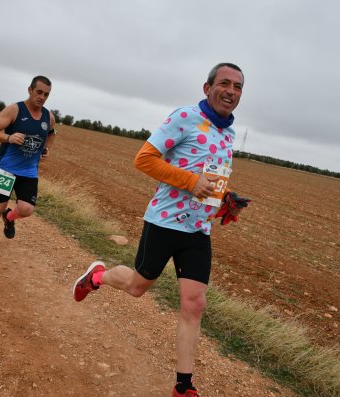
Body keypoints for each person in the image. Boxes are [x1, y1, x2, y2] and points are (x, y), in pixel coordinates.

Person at [72, 63, 247, 397]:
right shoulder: (185, 117)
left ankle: (183, 387)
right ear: (207, 86)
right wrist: (190, 181)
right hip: (164, 222)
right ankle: (96, 277)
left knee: (194, 304)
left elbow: (209, 174)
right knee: (138, 287)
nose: (231, 91)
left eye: (238, 87)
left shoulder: (228, 133)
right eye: (224, 83)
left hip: (198, 231)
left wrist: (225, 197)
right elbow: (144, 159)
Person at [0, 75, 57, 250]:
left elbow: (52, 133)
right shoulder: (15, 110)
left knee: (26, 209)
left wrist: (46, 148)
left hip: (29, 170)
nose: (42, 97)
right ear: (30, 90)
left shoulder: (48, 116)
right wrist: (8, 137)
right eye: (39, 92)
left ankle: (9, 218)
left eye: (46, 94)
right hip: (5, 167)